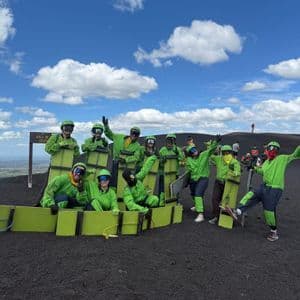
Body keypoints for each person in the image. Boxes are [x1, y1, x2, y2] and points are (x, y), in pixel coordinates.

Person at [226, 141, 300, 242]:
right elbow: (262, 171)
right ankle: (237, 212)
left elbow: (295, 155)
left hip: (275, 189)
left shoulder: (282, 158)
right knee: (251, 194)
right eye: (270, 148)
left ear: (277, 151)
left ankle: (273, 232)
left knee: (268, 211)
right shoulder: (266, 163)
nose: (272, 150)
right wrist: (254, 168)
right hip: (264, 187)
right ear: (267, 150)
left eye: (275, 149)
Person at [185, 135, 221, 222]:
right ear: (189, 153)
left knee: (198, 194)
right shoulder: (189, 160)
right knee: (193, 193)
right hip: (193, 180)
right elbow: (188, 170)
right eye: (192, 150)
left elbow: (211, 149)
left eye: (195, 149)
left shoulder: (203, 155)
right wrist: (187, 180)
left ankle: (200, 214)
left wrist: (216, 142)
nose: (195, 151)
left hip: (203, 178)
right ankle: (197, 205)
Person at [102, 116, 141, 186]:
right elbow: (109, 134)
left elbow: (136, 157)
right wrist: (106, 126)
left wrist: (126, 160)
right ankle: (113, 194)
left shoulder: (137, 146)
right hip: (116, 163)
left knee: (124, 182)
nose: (134, 135)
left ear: (138, 136)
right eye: (133, 133)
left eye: (136, 134)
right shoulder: (119, 137)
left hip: (128, 166)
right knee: (114, 180)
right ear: (130, 133)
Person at [208, 145, 241, 224]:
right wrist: (212, 148)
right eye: (224, 153)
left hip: (228, 184)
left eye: (228, 152)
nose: (226, 154)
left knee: (226, 201)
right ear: (221, 153)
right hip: (218, 182)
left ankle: (226, 218)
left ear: (231, 153)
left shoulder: (234, 161)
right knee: (215, 199)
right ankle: (216, 216)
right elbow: (209, 155)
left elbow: (238, 171)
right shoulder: (218, 158)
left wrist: (234, 172)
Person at [159, 134, 185, 200]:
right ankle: (161, 202)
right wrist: (162, 161)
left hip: (174, 173)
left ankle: (175, 202)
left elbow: (182, 158)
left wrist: (178, 151)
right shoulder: (162, 150)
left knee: (174, 190)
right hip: (164, 174)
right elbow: (158, 161)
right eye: (169, 140)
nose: (170, 142)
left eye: (172, 140)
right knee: (162, 189)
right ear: (166, 141)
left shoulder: (177, 149)